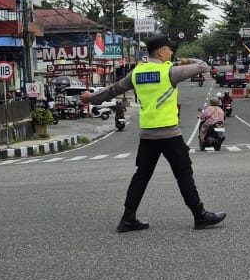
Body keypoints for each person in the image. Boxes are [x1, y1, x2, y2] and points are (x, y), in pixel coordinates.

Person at [82, 34, 226, 233]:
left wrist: (91, 98)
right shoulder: (170, 72)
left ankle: (128, 218)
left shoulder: (137, 72)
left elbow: (113, 89)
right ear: (160, 51)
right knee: (184, 174)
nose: (172, 52)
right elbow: (203, 67)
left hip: (147, 135)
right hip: (169, 134)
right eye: (169, 49)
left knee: (141, 176)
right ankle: (199, 215)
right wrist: (188, 60)